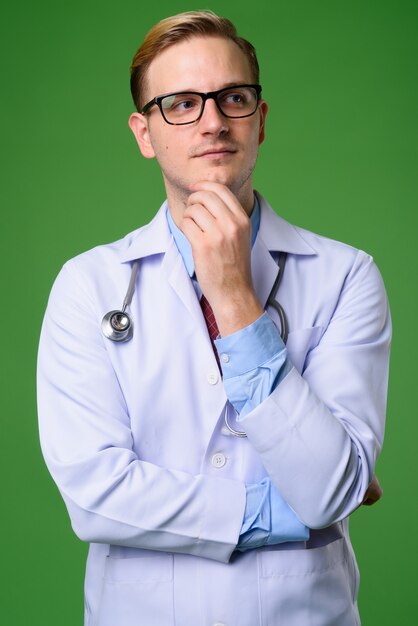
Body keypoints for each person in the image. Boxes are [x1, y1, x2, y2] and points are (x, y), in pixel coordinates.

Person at [37, 10, 391, 626]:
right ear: (144, 133)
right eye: (180, 103)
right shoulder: (87, 285)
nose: (212, 121)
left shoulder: (345, 276)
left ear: (261, 121)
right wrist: (288, 512)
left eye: (234, 98)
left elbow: (332, 491)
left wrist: (235, 298)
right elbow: (95, 495)